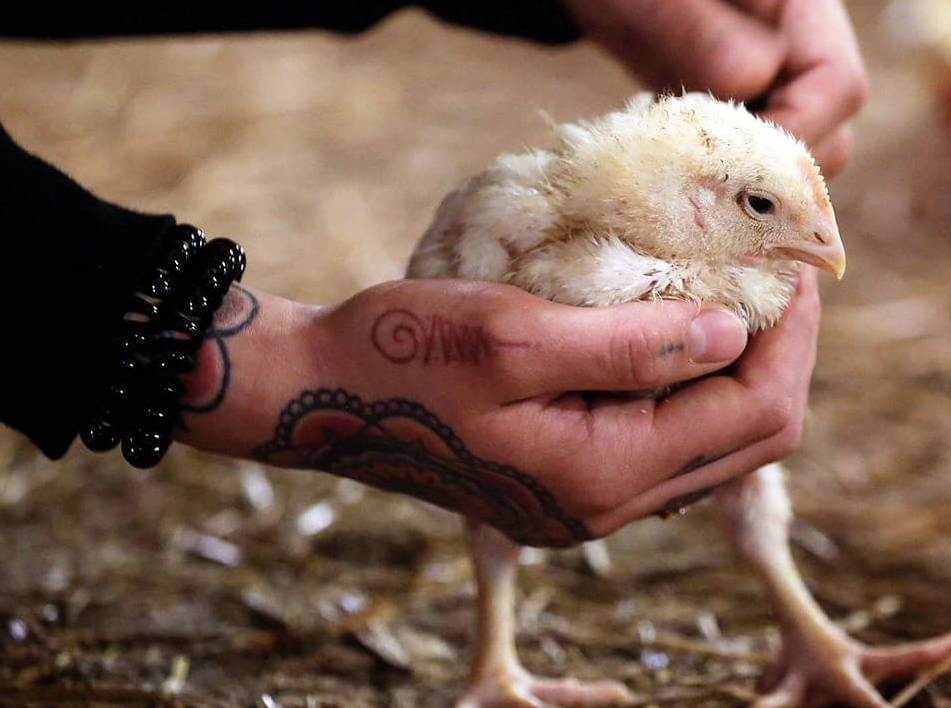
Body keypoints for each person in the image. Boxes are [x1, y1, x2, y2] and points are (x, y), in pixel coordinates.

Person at [1, 1, 867, 547]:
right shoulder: (530, 226)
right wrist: (249, 363)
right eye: (757, 209)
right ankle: (497, 654)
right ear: (695, 203)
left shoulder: (729, 261)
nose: (825, 250)